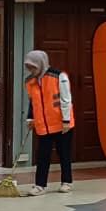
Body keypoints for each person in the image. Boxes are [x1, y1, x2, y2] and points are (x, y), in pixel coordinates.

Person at [23, 50, 74, 196]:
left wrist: (66, 121)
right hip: (43, 126)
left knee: (64, 154)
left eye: (33, 67)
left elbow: (66, 99)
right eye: (28, 67)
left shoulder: (59, 76)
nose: (31, 70)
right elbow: (32, 101)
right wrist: (30, 118)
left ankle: (66, 182)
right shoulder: (29, 81)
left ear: (41, 64)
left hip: (61, 124)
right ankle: (40, 185)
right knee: (42, 156)